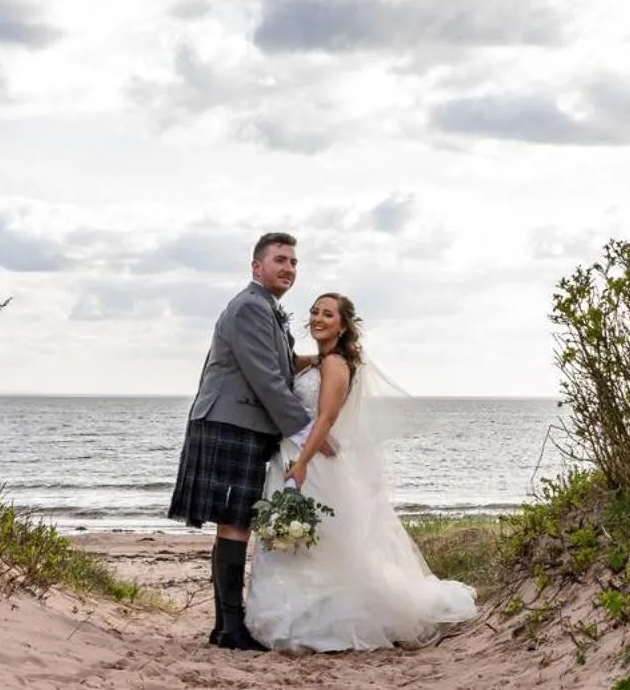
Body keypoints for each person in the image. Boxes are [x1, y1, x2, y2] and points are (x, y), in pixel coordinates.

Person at [245, 293, 476, 652]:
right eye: (315, 312)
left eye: (328, 314)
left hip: (313, 463)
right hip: (292, 456)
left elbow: (326, 419)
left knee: (320, 541)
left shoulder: (336, 365)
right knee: (295, 540)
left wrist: (303, 463)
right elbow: (287, 363)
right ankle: (284, 610)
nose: (319, 318)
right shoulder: (320, 361)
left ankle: (323, 618)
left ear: (343, 324)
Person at [168, 232, 333, 650]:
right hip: (230, 421)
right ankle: (230, 628)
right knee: (235, 522)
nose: (288, 269)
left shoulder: (267, 309)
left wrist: (326, 357)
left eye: (294, 262)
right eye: (280, 260)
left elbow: (279, 364)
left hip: (238, 422)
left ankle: (227, 626)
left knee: (235, 522)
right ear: (256, 266)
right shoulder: (249, 308)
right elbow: (267, 379)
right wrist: (308, 433)